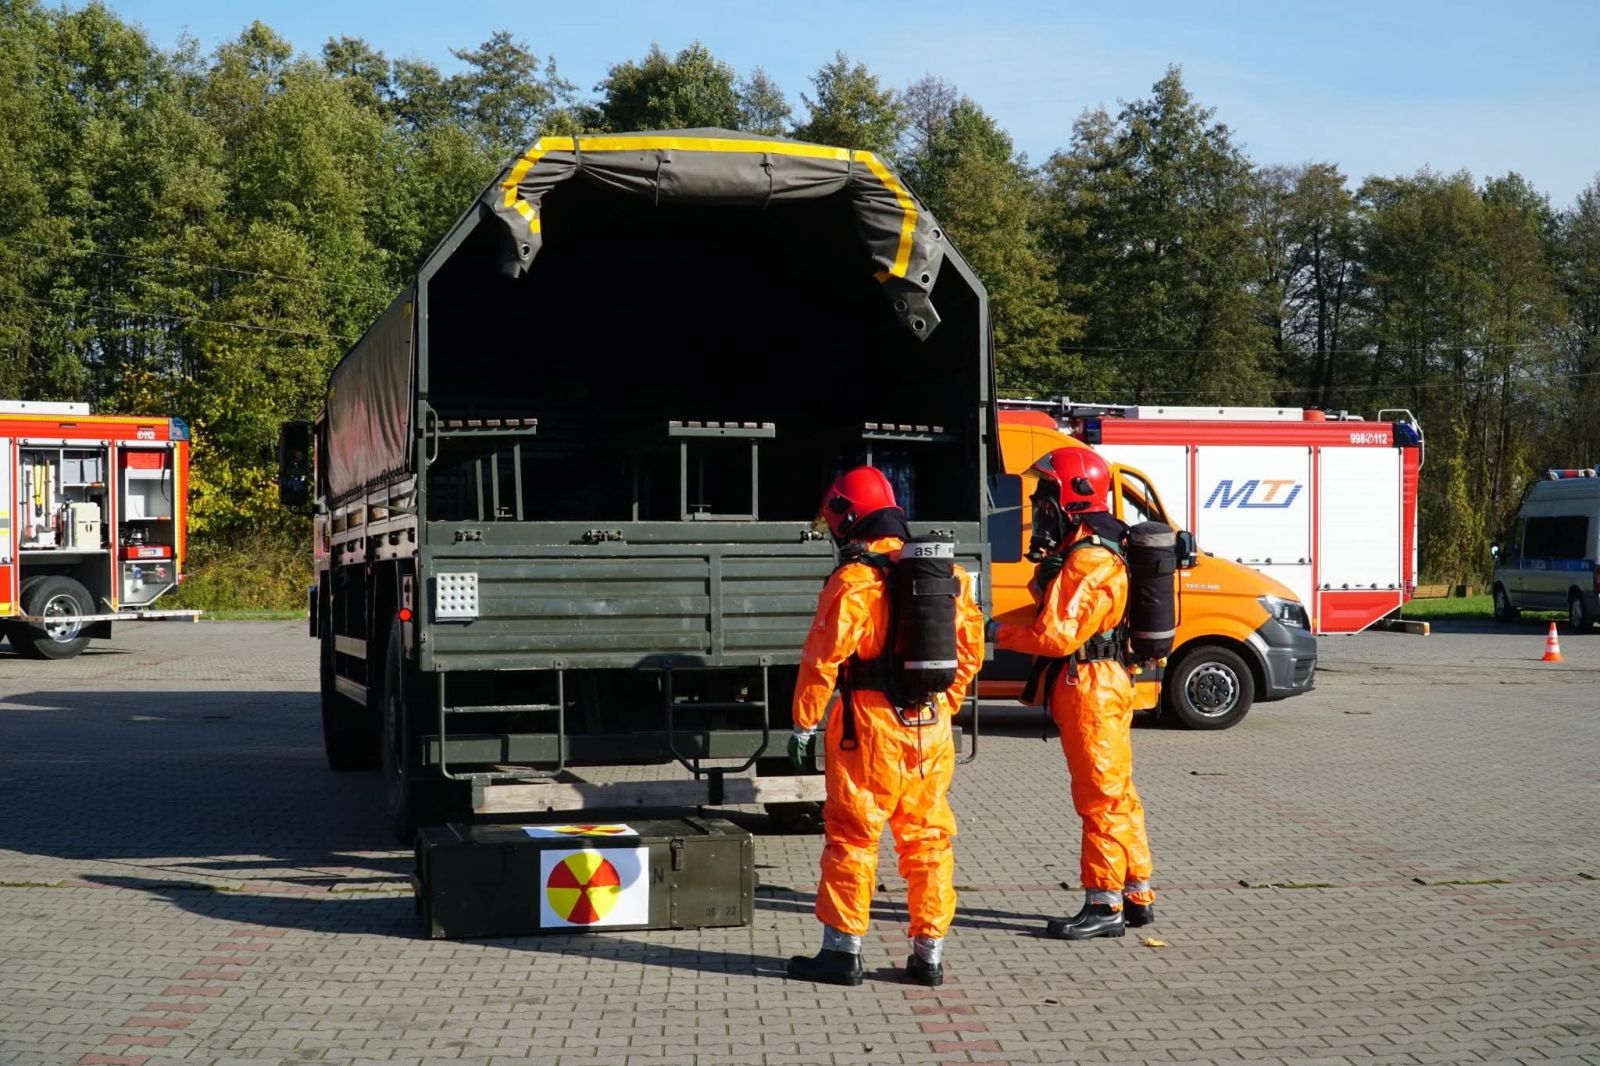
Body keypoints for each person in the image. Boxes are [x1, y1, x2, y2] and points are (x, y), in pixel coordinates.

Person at [786, 466, 984, 986]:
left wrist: (804, 723)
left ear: (848, 519)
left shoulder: (854, 581)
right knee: (928, 839)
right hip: (930, 723)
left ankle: (841, 952)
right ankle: (929, 955)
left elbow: (822, 659)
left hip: (868, 727)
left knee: (853, 835)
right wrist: (941, 704)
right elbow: (969, 653)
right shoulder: (947, 575)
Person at [990, 447, 1156, 939]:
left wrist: (994, 633)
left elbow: (1055, 635)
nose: (1038, 507)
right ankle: (1136, 893)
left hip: (1092, 687)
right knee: (1118, 793)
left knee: (1100, 798)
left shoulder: (1089, 559)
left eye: (1045, 495)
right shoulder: (1085, 549)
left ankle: (1104, 905)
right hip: (1098, 681)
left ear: (1072, 497)